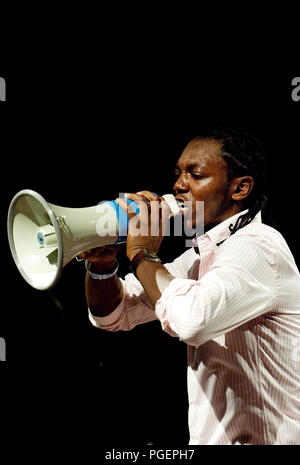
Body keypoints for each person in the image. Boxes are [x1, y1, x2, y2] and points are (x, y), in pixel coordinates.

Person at [81, 127, 300, 445]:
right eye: (178, 173)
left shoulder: (258, 245)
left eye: (195, 174)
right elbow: (114, 313)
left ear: (239, 188)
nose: (178, 185)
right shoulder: (199, 256)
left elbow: (192, 320)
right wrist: (102, 267)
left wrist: (142, 253)